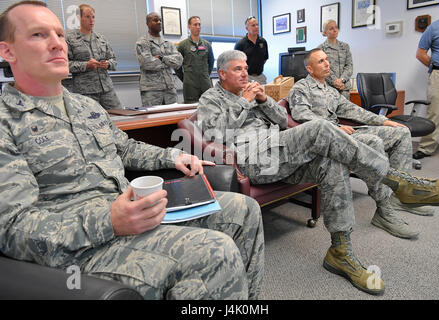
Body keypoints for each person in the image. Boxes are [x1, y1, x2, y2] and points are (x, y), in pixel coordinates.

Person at [0, 2, 264, 300]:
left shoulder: (86, 106)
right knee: (215, 254)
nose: (57, 44)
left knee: (244, 210)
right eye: (38, 35)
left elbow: (124, 148)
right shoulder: (6, 121)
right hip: (82, 248)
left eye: (59, 35)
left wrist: (174, 156)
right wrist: (108, 222)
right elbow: (12, 227)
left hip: (129, 209)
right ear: (7, 51)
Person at [197, 50, 439, 295]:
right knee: (319, 127)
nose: (245, 74)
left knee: (332, 163)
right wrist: (245, 102)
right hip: (256, 159)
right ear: (221, 74)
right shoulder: (210, 98)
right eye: (237, 69)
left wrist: (263, 99)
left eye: (245, 68)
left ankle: (340, 252)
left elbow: (283, 121)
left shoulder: (253, 92)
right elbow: (216, 133)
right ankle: (398, 182)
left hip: (281, 147)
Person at [289, 48, 435, 220]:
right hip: (330, 137)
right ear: (310, 69)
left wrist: (384, 121)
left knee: (400, 132)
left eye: (327, 59)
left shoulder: (330, 90)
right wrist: (333, 128)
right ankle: (386, 203)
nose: (327, 63)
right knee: (373, 141)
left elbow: (354, 111)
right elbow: (301, 115)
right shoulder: (300, 88)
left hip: (345, 130)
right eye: (321, 61)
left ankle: (401, 195)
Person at [65, 4, 122, 110]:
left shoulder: (101, 38)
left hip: (106, 89)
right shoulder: (70, 39)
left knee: (121, 116)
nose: (91, 20)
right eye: (87, 17)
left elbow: (114, 61)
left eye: (93, 17)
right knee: (90, 123)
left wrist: (108, 64)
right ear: (79, 17)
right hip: (85, 92)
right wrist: (86, 65)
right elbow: (65, 65)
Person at [413, 1, 439, 160]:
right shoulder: (434, 27)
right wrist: (437, 67)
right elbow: (420, 54)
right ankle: (426, 148)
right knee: (435, 112)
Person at [135, 12, 183, 107]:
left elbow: (179, 61)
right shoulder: (142, 42)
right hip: (152, 90)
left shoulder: (167, 43)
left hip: (169, 88)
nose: (159, 22)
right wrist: (169, 61)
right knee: (153, 118)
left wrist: (161, 58)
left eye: (160, 20)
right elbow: (147, 63)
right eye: (155, 20)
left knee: (173, 117)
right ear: (148, 23)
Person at [176, 16, 214, 103]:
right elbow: (177, 65)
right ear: (189, 26)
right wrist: (185, 79)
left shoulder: (207, 44)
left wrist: (205, 75)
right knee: (190, 109)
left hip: (205, 84)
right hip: (190, 85)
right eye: (195, 25)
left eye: (199, 24)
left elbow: (211, 62)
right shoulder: (182, 45)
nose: (198, 27)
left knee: (209, 108)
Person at [318, 20, 353, 99]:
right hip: (329, 89)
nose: (335, 30)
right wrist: (334, 81)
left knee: (346, 110)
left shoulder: (345, 46)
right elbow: (323, 68)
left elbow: (349, 66)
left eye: (336, 27)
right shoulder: (321, 48)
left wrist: (341, 80)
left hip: (344, 88)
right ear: (325, 32)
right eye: (331, 28)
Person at [234, 16, 268, 85]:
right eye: (253, 25)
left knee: (263, 95)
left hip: (260, 76)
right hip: (246, 77)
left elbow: (265, 58)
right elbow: (236, 63)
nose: (256, 27)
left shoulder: (263, 41)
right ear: (247, 28)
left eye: (257, 25)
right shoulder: (240, 44)